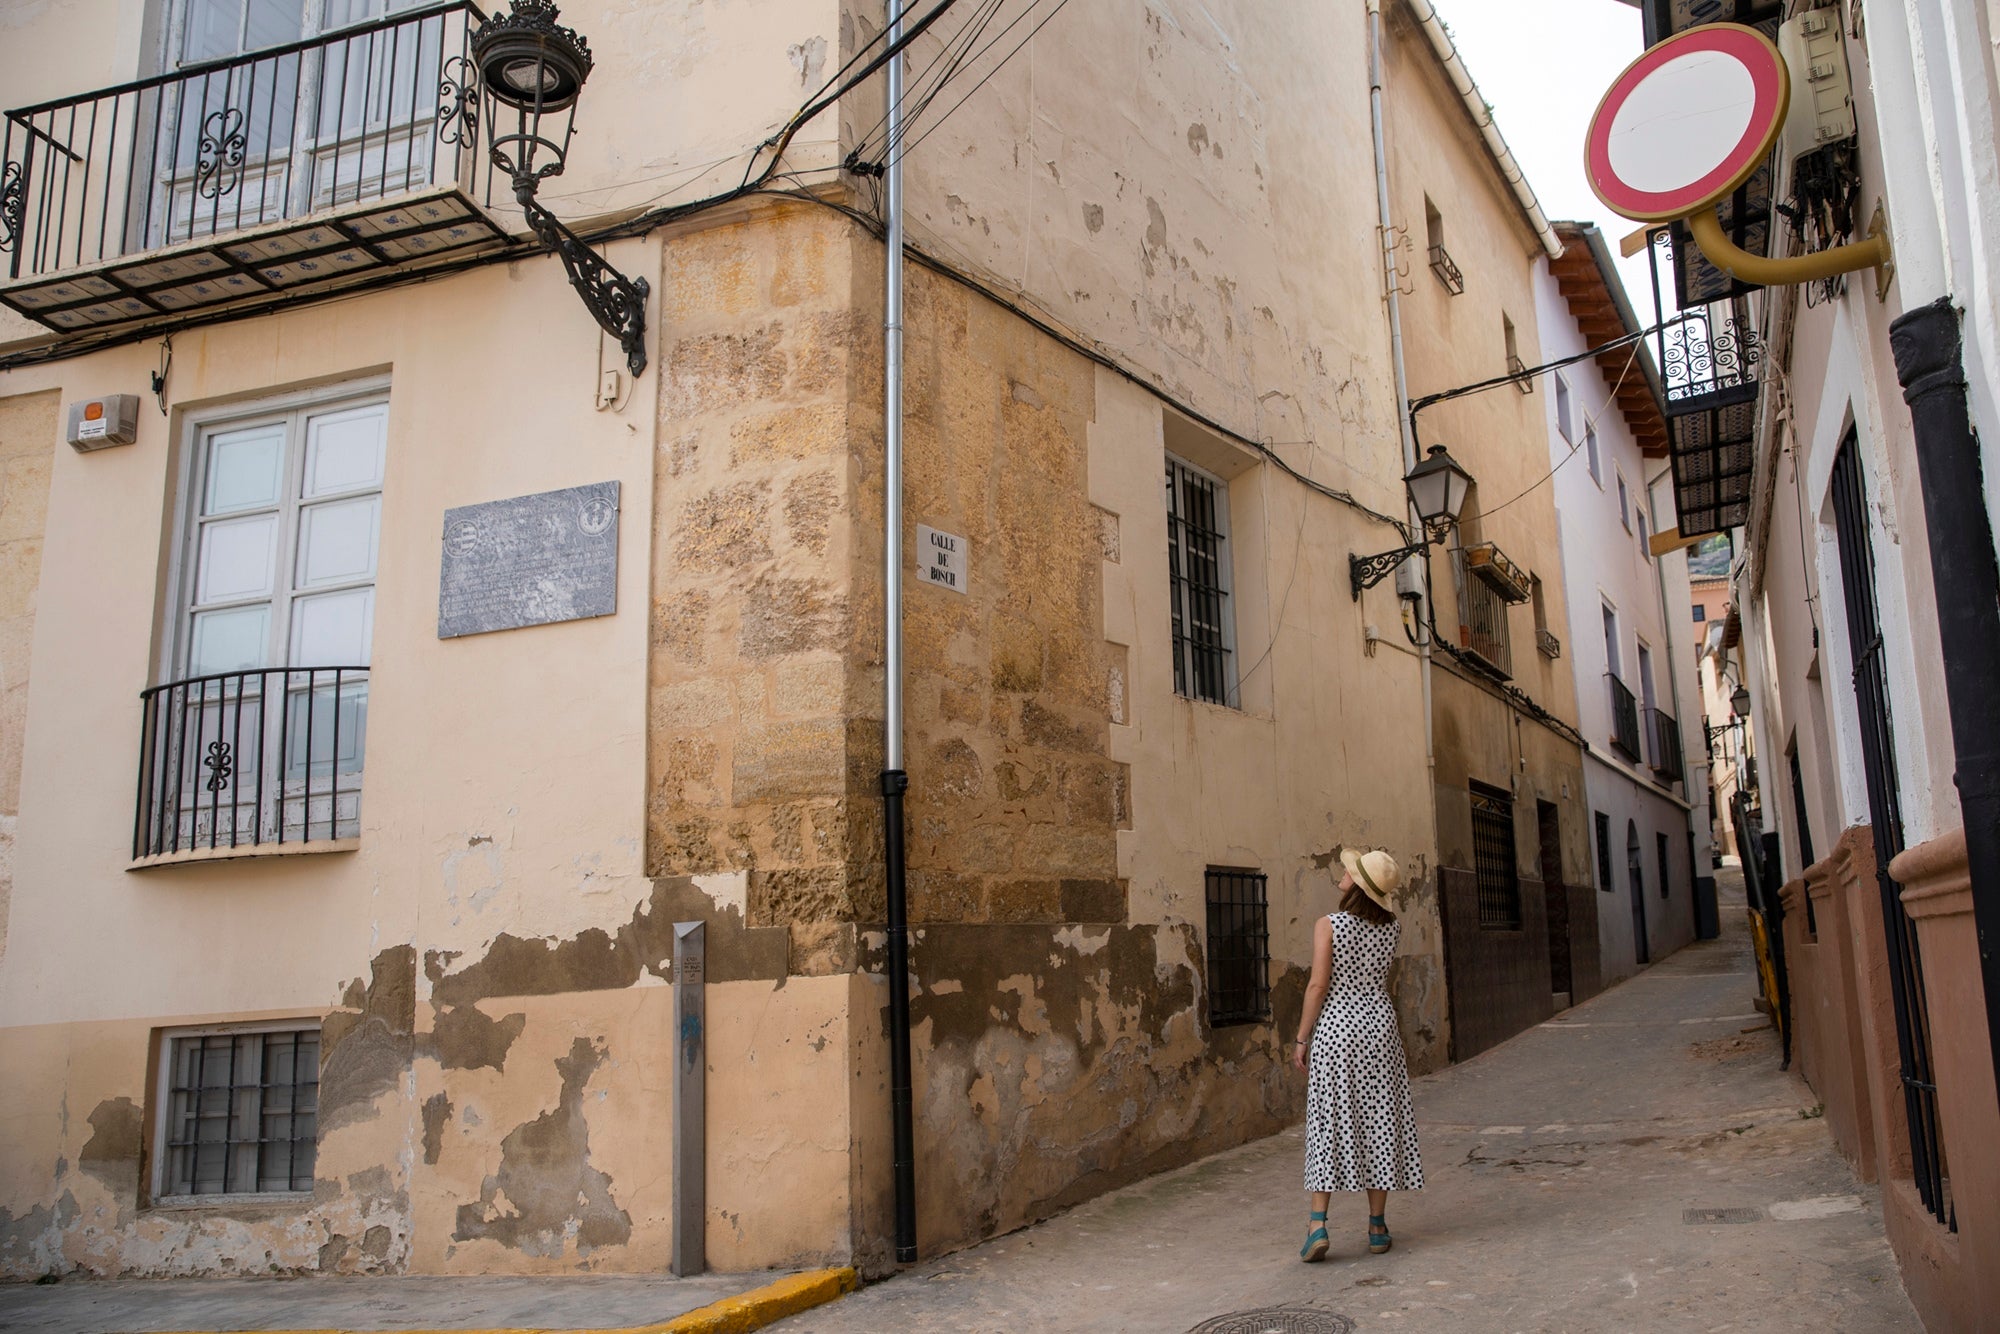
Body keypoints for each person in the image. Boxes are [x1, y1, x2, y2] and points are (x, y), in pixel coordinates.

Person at [1291, 847, 1424, 1262]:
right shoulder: (1392, 928)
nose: (1340, 877)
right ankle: (1378, 1226)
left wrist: (1301, 1037)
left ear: (1358, 886)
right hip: (1380, 1028)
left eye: (1347, 873)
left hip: (1338, 1029)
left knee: (1327, 1118)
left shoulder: (1328, 925)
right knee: (1380, 1116)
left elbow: (1317, 985)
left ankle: (1318, 1226)